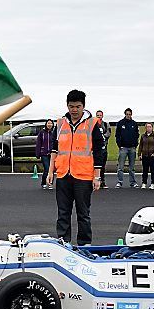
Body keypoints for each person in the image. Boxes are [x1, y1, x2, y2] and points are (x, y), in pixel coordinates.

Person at [46, 89, 105, 246]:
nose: (74, 110)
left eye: (78, 106)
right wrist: (50, 171)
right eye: (71, 106)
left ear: (83, 106)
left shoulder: (92, 124)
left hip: (83, 176)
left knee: (83, 213)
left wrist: (97, 176)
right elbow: (54, 149)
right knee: (63, 213)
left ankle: (85, 244)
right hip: (64, 174)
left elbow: (99, 151)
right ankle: (63, 242)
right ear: (67, 106)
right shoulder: (60, 124)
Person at [115, 108, 139, 188]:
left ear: (131, 114)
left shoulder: (134, 124)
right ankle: (120, 182)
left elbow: (137, 135)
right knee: (120, 167)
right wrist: (120, 145)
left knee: (132, 167)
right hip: (123, 148)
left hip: (132, 148)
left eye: (129, 114)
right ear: (125, 114)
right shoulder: (120, 123)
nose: (128, 115)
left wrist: (135, 145)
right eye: (127, 114)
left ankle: (132, 182)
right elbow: (117, 135)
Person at [138, 122, 154, 190]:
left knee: (153, 170)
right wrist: (139, 154)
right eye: (147, 127)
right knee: (145, 170)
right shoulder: (143, 136)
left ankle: (153, 183)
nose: (148, 128)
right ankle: (144, 183)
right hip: (145, 155)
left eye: (150, 127)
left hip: (152, 155)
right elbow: (141, 145)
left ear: (152, 128)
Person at [35, 118, 54, 189]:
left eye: (51, 123)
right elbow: (38, 143)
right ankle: (43, 183)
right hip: (44, 153)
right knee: (47, 168)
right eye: (48, 123)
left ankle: (50, 183)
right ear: (46, 124)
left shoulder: (54, 133)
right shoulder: (42, 133)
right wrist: (37, 153)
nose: (49, 124)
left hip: (52, 154)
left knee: (51, 169)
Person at [95, 110, 110, 188]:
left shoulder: (106, 124)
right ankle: (95, 181)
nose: (99, 117)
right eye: (97, 115)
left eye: (100, 115)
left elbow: (108, 133)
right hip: (95, 150)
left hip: (103, 149)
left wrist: (101, 136)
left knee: (103, 167)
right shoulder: (93, 124)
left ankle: (102, 182)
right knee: (95, 166)